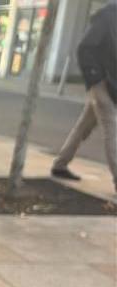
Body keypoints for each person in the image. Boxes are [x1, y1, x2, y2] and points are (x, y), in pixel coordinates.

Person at [51, 1, 117, 192]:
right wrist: (95, 79)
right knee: (112, 129)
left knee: (84, 126)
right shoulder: (107, 17)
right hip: (102, 84)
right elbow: (84, 48)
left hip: (112, 87)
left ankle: (60, 164)